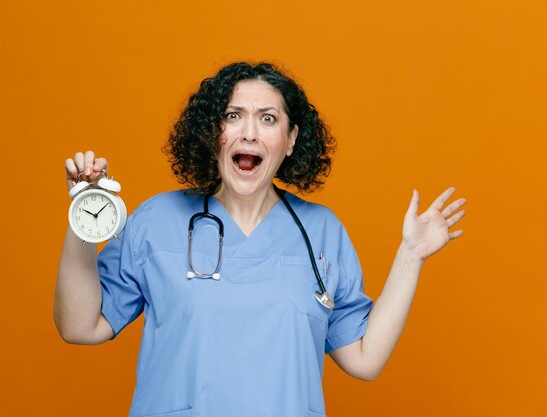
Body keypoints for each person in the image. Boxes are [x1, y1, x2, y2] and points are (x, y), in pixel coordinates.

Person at [54, 62, 466, 417]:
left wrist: (410, 256)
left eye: (268, 119)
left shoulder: (320, 232)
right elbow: (79, 326)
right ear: (211, 132)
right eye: (233, 115)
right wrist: (84, 217)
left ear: (289, 141)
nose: (249, 133)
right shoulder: (156, 221)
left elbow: (365, 359)